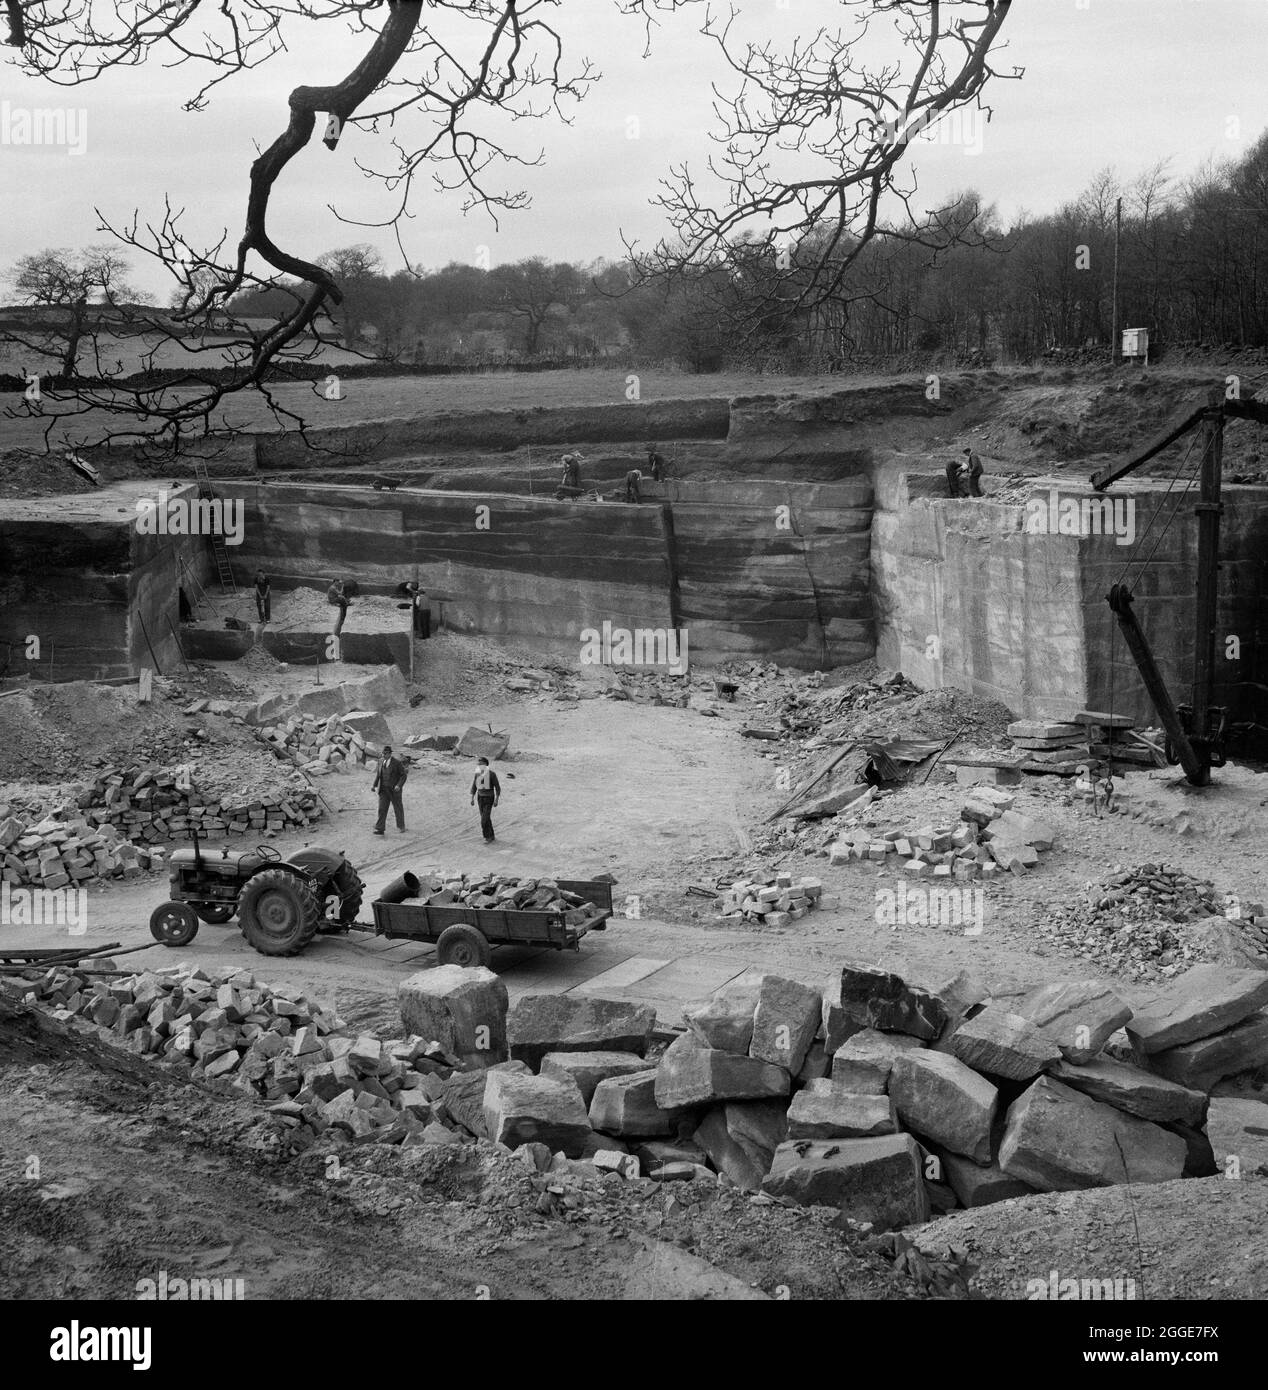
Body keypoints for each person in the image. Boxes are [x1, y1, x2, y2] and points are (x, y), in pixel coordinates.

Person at [372, 744, 409, 834]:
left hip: (394, 791)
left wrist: (399, 785)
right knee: (382, 808)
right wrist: (374, 785)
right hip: (383, 790)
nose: (383, 755)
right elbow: (379, 775)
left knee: (398, 808)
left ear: (389, 754)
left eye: (385, 753)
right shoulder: (381, 761)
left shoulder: (397, 763)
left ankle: (401, 826)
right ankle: (380, 828)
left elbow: (403, 775)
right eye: (383, 753)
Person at [469, 756, 501, 843]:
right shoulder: (477, 774)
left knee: (484, 820)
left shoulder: (492, 774)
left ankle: (487, 837)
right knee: (486, 818)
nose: (479, 766)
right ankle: (491, 835)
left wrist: (496, 800)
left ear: (486, 765)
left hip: (489, 798)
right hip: (480, 798)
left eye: (481, 764)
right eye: (478, 765)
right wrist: (472, 798)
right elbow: (474, 786)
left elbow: (497, 788)